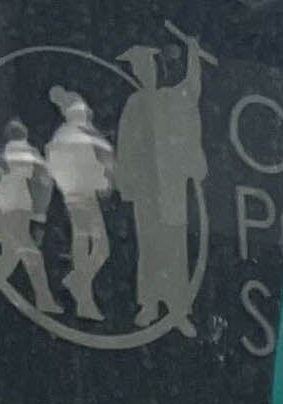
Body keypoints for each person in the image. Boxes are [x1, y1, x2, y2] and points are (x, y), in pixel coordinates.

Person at [114, 28, 213, 335]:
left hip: (170, 188)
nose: (146, 72)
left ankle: (179, 310)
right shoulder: (134, 104)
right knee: (150, 248)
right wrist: (125, 182)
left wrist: (194, 55)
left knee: (175, 249)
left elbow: (192, 88)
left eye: (149, 66)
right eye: (140, 68)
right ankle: (149, 304)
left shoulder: (171, 100)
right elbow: (125, 146)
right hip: (146, 190)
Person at [0, 123, 57, 317]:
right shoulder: (23, 157)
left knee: (12, 256)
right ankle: (44, 299)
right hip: (13, 210)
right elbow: (43, 184)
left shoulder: (4, 159)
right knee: (28, 254)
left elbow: (40, 184)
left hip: (13, 210)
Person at [43, 89, 114, 321]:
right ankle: (82, 294)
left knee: (94, 245)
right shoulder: (68, 136)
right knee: (90, 244)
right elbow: (62, 168)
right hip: (78, 195)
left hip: (82, 195)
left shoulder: (82, 135)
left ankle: (78, 282)